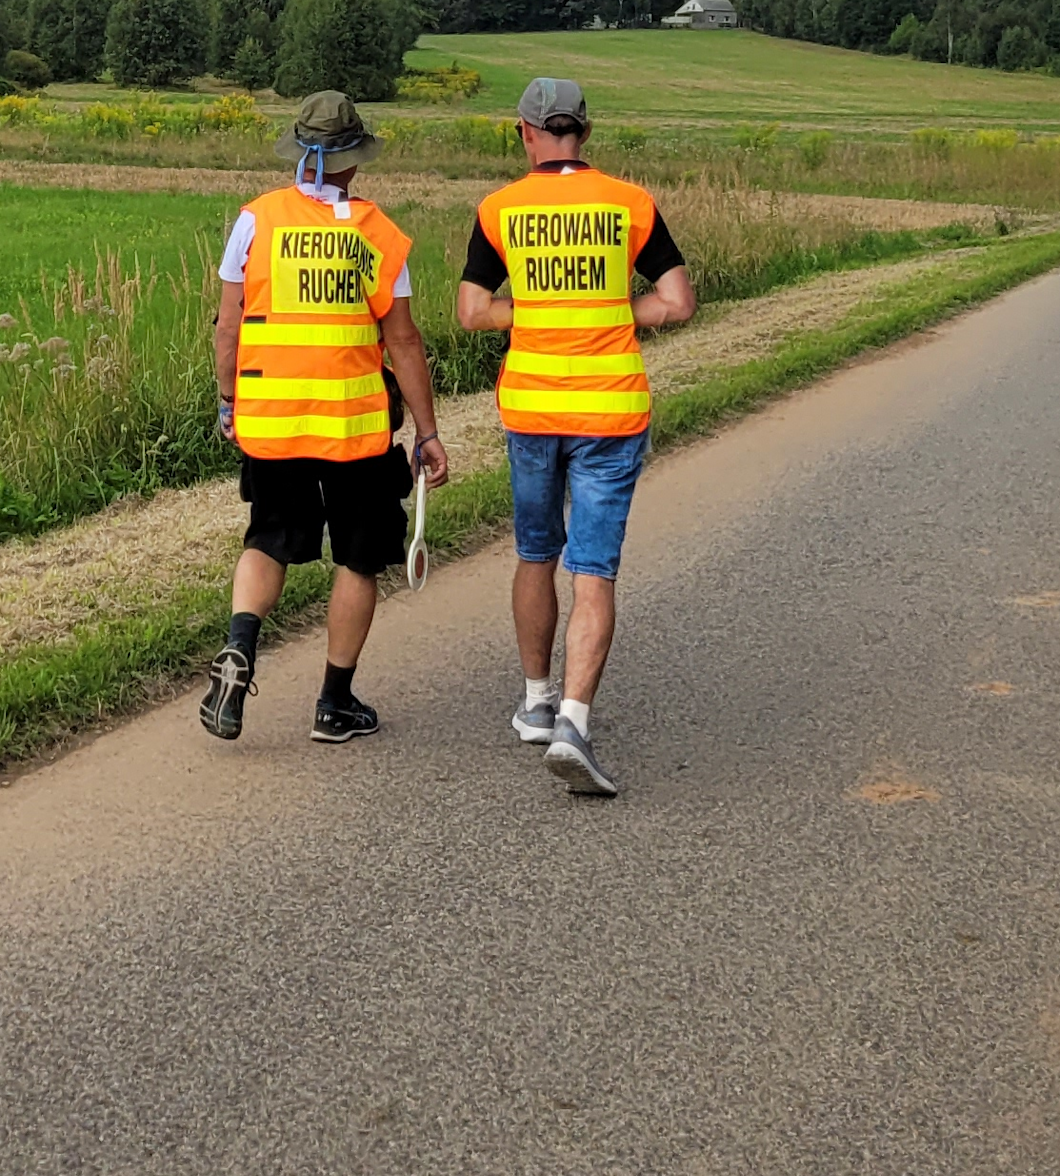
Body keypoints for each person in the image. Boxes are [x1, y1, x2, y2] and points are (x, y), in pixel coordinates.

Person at [460, 76, 694, 799]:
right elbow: (678, 301)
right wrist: (622, 313)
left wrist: (529, 316)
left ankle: (534, 701)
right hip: (609, 412)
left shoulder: (499, 210)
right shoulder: (630, 203)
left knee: (536, 551)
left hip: (531, 411)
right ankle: (573, 721)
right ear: (585, 134)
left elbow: (471, 311)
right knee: (593, 567)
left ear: (524, 134)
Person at [201, 91, 451, 743]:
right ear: (354, 161)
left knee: (268, 540)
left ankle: (239, 647)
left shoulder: (255, 222)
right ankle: (334, 704)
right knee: (359, 559)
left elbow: (229, 325)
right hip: (353, 430)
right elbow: (403, 341)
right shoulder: (377, 233)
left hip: (273, 419)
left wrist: (229, 401)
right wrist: (427, 432)